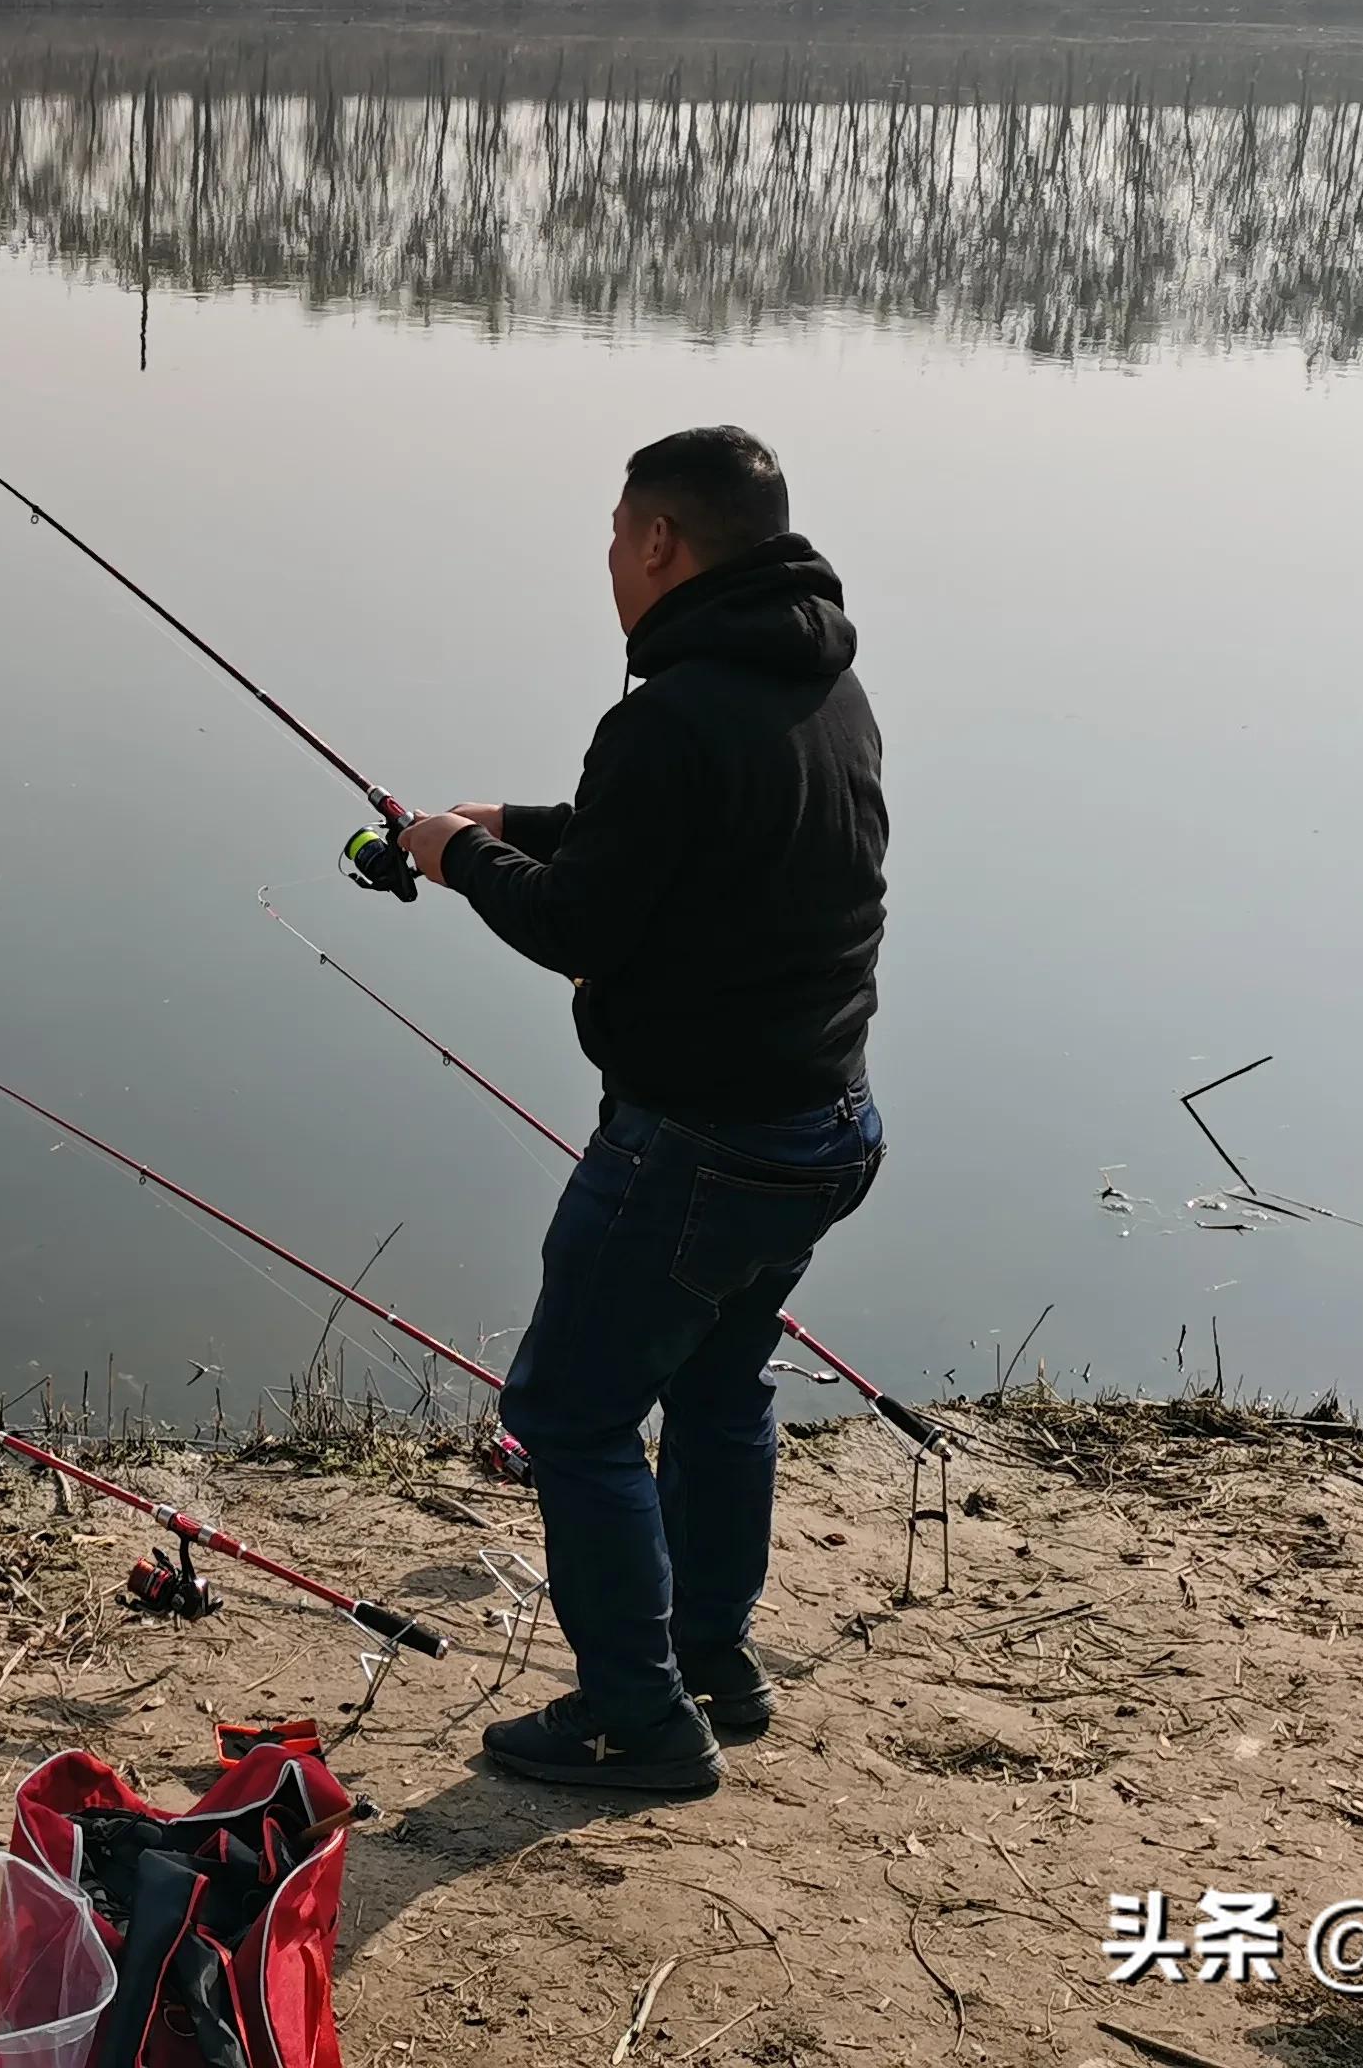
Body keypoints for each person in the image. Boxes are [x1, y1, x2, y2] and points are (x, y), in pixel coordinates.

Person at [394, 425, 888, 1794]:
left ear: (662, 542)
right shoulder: (821, 687)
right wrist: (522, 821)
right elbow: (682, 839)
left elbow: (581, 924)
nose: (610, 562)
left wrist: (463, 857)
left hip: (699, 1141)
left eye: (618, 536)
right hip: (823, 1125)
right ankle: (710, 1660)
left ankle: (636, 1716)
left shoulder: (667, 712)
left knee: (571, 1414)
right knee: (722, 1386)